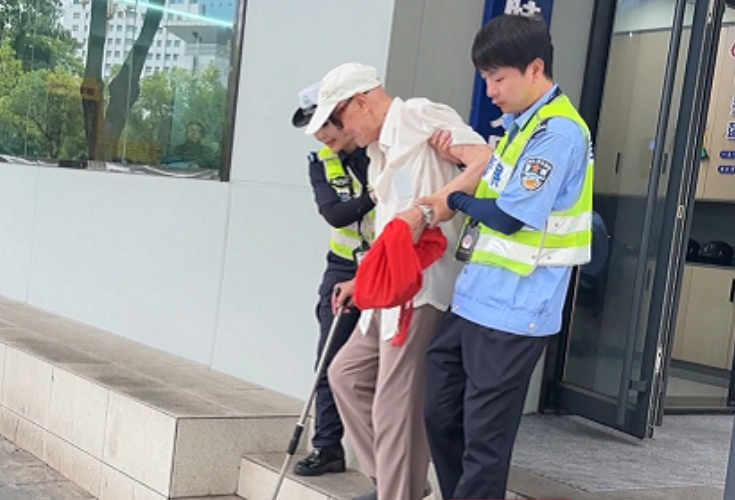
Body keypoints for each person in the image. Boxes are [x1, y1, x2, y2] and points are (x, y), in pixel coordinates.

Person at [416, 14, 594, 500]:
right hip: (475, 298)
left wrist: (453, 200)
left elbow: (511, 217)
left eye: (498, 78)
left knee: (484, 441)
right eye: (484, 79)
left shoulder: (557, 133)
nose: (490, 91)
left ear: (535, 68)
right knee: (441, 413)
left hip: (517, 309)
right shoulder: (521, 126)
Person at [304, 62, 487, 500]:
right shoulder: (377, 153)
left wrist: (434, 204)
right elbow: (388, 226)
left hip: (420, 288)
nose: (341, 131)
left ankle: (397, 491)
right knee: (345, 374)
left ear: (361, 102)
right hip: (386, 288)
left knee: (394, 403)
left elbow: (485, 161)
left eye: (340, 118)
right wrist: (362, 279)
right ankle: (398, 485)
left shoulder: (420, 116)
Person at [291, 81, 376, 477]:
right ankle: (327, 447)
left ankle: (386, 461)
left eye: (326, 124)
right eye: (315, 129)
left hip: (388, 264)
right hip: (344, 268)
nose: (321, 135)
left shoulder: (379, 150)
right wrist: (375, 196)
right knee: (330, 356)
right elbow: (335, 214)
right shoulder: (321, 161)